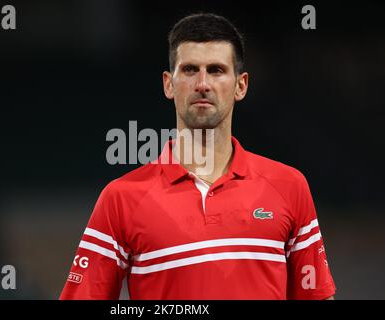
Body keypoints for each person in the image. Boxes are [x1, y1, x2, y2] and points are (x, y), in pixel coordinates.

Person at [59, 13, 336, 300]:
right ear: (168, 84)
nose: (202, 83)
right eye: (190, 70)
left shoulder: (289, 186)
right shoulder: (121, 198)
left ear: (241, 85)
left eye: (216, 70)